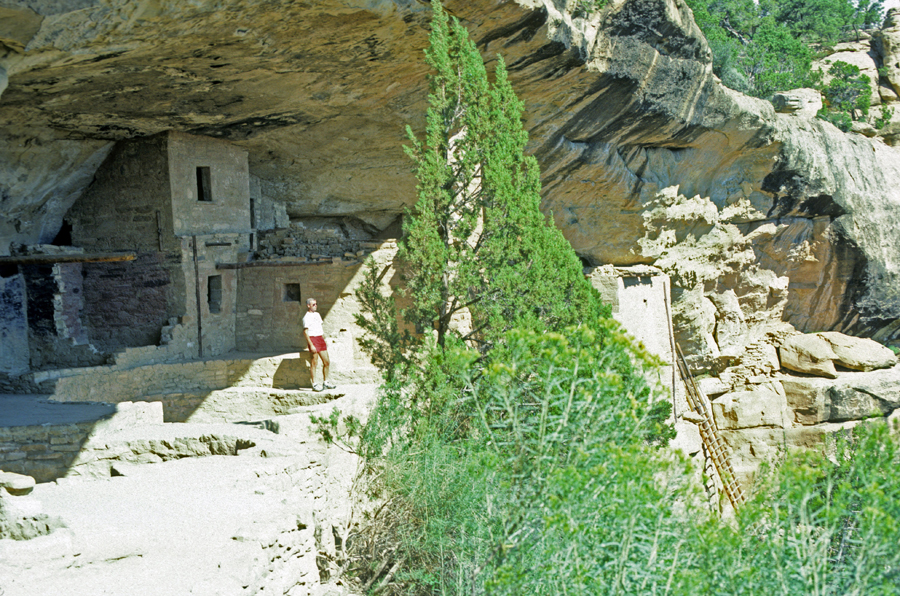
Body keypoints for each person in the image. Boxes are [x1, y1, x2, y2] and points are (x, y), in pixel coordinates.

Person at [302, 297, 335, 391]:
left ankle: (326, 382)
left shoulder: (317, 315)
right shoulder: (306, 317)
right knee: (314, 363)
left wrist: (324, 339)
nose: (315, 306)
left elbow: (319, 327)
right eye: (313, 304)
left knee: (326, 361)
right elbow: (305, 332)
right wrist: (311, 345)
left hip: (320, 338)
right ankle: (314, 384)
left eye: (316, 304)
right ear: (308, 305)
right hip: (313, 339)